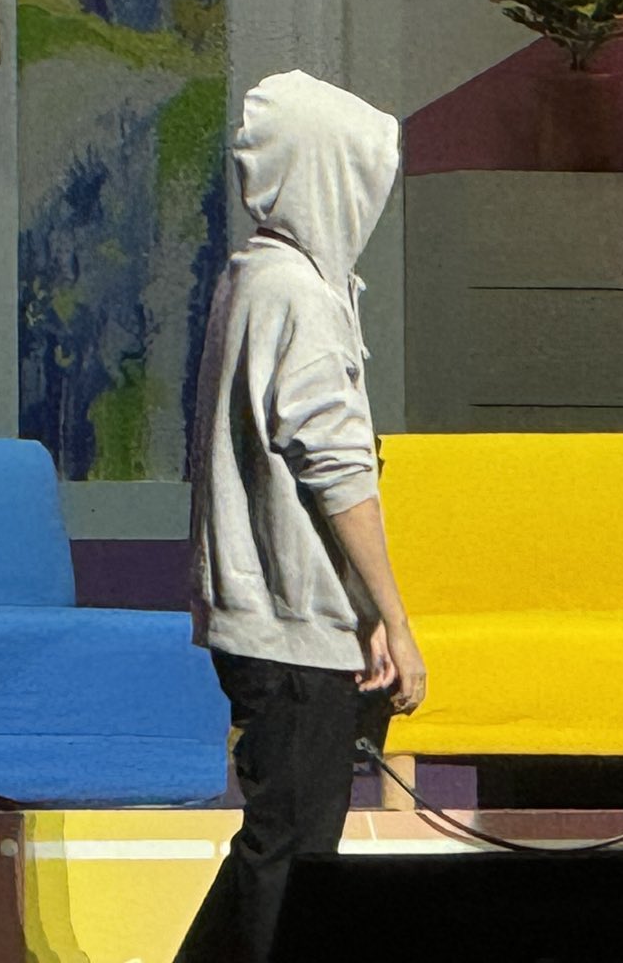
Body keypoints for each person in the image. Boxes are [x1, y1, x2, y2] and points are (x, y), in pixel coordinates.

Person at [177, 70, 427, 963]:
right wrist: (392, 615)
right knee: (292, 856)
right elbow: (337, 469)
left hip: (270, 626)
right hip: (291, 632)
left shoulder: (253, 277)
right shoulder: (299, 297)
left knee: (273, 844)